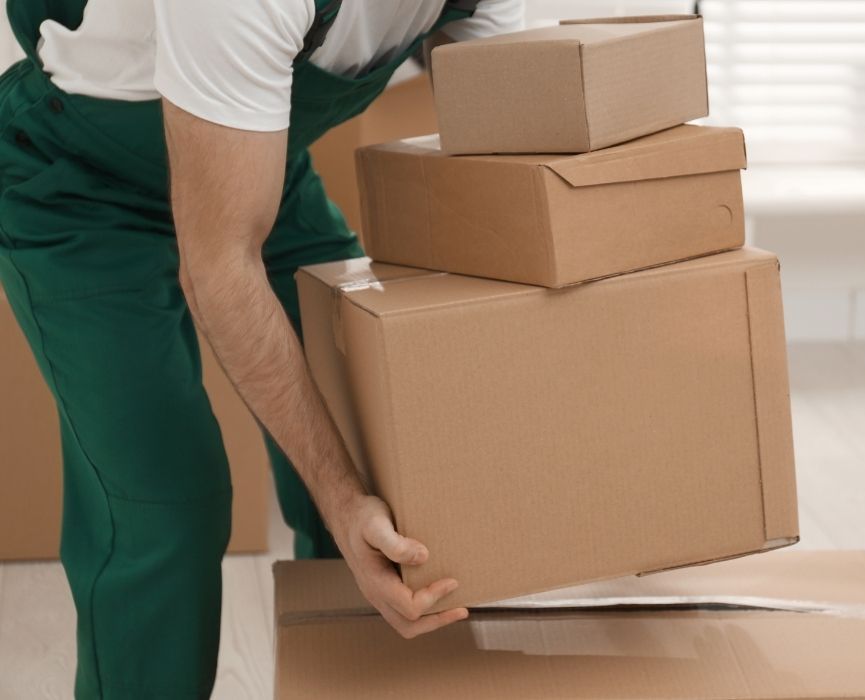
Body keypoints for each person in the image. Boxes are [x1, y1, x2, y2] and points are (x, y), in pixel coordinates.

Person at [0, 0, 523, 696]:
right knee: (165, 507)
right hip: (80, 185)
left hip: (250, 171)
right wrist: (339, 501)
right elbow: (218, 265)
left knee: (387, 458)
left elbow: (510, 172)